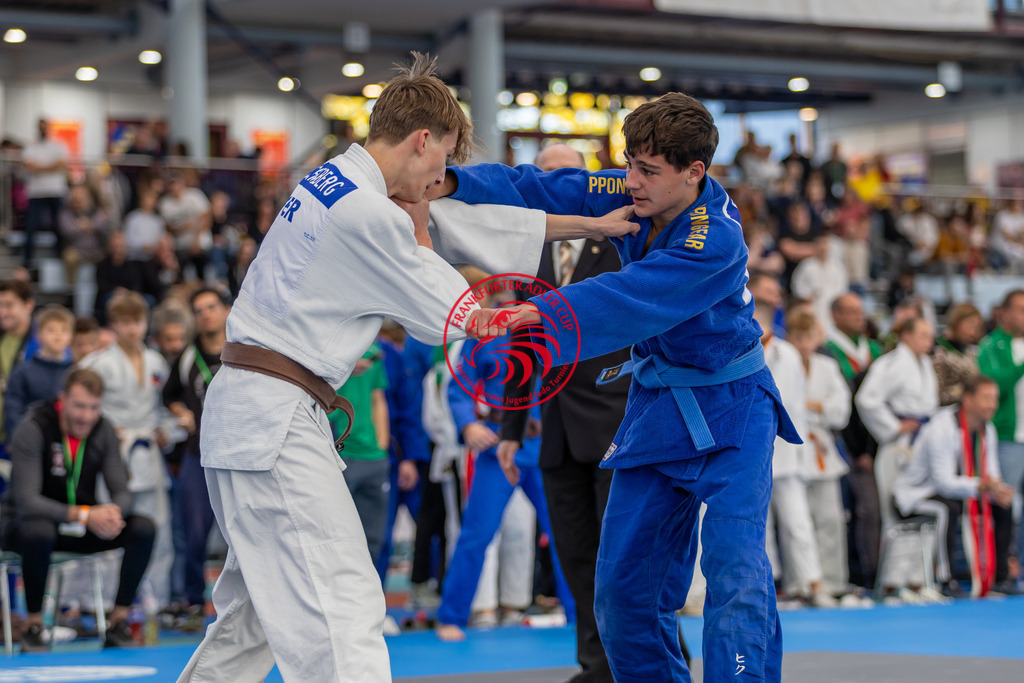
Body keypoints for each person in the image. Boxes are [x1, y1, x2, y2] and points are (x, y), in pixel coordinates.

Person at [176, 53, 634, 683]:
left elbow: (473, 227)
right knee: (344, 603)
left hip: (247, 414)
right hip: (276, 420)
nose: (440, 180)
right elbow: (462, 315)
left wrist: (587, 222)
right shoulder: (370, 216)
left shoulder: (330, 180)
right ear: (424, 140)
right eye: (443, 161)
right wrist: (555, 314)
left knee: (251, 621)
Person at [437, 92, 800, 682]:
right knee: (621, 589)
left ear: (694, 172)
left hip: (732, 412)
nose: (629, 180)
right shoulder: (638, 189)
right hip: (657, 409)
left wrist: (535, 315)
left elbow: (629, 298)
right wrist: (450, 180)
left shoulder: (714, 239)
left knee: (734, 574)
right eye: (629, 163)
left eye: (647, 171)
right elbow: (543, 187)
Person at [498, 141, 629, 683]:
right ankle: (595, 667)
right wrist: (510, 428)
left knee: (624, 559)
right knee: (576, 557)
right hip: (555, 432)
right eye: (544, 177)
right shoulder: (529, 257)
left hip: (618, 425)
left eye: (567, 177)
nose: (555, 188)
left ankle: (649, 662)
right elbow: (522, 344)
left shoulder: (623, 247)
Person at [0, 368, 155, 651]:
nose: (86, 416)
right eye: (79, 406)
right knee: (39, 531)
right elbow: (28, 500)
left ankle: (118, 623)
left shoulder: (103, 429)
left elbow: (121, 490)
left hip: (79, 524)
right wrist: (84, 514)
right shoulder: (33, 427)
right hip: (24, 526)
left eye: (94, 408)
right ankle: (34, 626)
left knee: (143, 527)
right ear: (63, 400)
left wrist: (112, 512)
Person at [81, 291, 173, 608]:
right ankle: (106, 603)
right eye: (124, 322)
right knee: (111, 526)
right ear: (114, 325)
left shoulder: (156, 362)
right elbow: (81, 405)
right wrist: (103, 433)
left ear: (145, 323)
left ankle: (155, 602)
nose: (131, 329)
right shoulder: (98, 364)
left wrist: (167, 432)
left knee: (158, 530)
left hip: (148, 453)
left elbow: (163, 409)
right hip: (113, 455)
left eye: (136, 321)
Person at [891, 375, 1016, 596]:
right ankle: (945, 579)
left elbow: (991, 473)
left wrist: (998, 490)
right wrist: (981, 486)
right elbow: (943, 482)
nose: (992, 405)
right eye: (986, 398)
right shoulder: (942, 427)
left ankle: (999, 578)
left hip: (958, 493)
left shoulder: (988, 430)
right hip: (917, 495)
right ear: (968, 400)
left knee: (1005, 506)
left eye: (994, 399)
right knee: (947, 509)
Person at [162, 288, 228, 630]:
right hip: (198, 457)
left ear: (227, 309)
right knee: (193, 535)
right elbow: (168, 394)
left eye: (212, 307)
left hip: (238, 457)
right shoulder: (188, 357)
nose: (206, 314)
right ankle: (191, 601)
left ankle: (244, 604)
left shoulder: (245, 348)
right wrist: (180, 411)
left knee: (242, 534)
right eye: (199, 309)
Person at [977, 289, 1024, 580]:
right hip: (1009, 437)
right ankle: (1002, 572)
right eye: (1019, 309)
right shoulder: (992, 345)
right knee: (1006, 507)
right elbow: (994, 385)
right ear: (1002, 313)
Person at [3, 305, 74, 440]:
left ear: (71, 336)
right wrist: (20, 439)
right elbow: (13, 411)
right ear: (38, 335)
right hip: (30, 440)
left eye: (64, 330)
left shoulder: (75, 374)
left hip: (66, 444)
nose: (58, 335)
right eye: (51, 330)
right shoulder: (22, 373)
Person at [21, 119, 69, 269]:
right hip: (36, 192)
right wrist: (51, 167)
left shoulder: (58, 145)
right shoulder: (31, 147)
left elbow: (61, 164)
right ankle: (27, 260)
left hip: (55, 191)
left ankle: (61, 255)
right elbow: (29, 165)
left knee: (59, 226)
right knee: (31, 227)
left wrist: (40, 168)